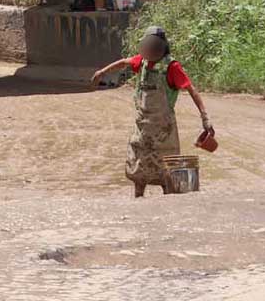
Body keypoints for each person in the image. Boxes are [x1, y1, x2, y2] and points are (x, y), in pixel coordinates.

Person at [91, 26, 213, 198]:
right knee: (138, 169)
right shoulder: (142, 62)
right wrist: (101, 72)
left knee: (166, 171)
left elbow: (191, 89)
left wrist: (205, 118)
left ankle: (166, 200)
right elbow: (124, 62)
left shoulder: (171, 66)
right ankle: (139, 198)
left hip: (164, 130)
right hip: (142, 127)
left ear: (161, 47)